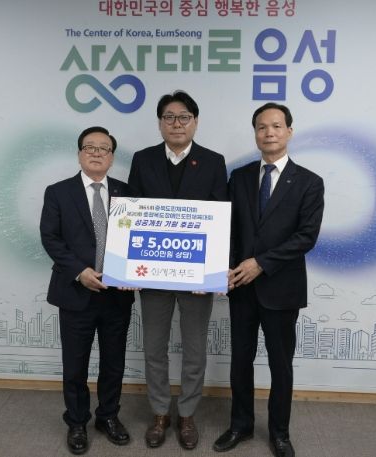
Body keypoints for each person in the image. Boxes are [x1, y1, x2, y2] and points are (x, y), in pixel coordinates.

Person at [213, 103, 324, 457]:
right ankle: (240, 425)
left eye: (276, 126)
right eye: (262, 127)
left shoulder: (309, 182)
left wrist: (261, 263)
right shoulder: (240, 177)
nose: (269, 132)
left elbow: (306, 237)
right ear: (256, 134)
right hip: (241, 287)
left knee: (280, 365)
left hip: (281, 288)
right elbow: (228, 229)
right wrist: (226, 267)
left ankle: (280, 433)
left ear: (289, 131)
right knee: (240, 361)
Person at [127, 90, 228, 449]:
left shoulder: (213, 162)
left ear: (195, 122)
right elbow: (132, 213)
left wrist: (211, 272)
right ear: (160, 123)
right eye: (169, 117)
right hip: (153, 275)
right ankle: (159, 413)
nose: (176, 123)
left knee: (194, 350)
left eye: (184, 117)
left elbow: (221, 219)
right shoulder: (143, 160)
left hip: (196, 278)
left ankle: (186, 414)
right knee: (154, 348)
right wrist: (128, 268)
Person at [40, 126, 134, 455]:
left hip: (117, 294)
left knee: (114, 362)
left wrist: (135, 269)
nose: (96, 153)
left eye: (103, 148)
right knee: (75, 364)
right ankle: (77, 421)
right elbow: (51, 238)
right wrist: (80, 272)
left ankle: (108, 416)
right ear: (79, 153)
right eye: (89, 147)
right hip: (76, 292)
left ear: (112, 157)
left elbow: (137, 239)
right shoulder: (58, 192)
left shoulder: (127, 193)